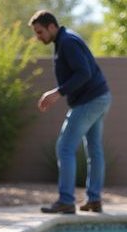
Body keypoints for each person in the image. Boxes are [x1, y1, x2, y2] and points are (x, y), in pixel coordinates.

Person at [29, 10, 112, 214]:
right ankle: (94, 199)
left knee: (65, 147)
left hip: (90, 100)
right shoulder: (64, 41)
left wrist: (58, 92)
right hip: (100, 97)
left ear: (51, 26)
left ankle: (66, 200)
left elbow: (84, 73)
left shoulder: (67, 42)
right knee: (94, 149)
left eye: (39, 32)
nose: (38, 37)